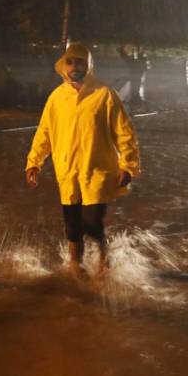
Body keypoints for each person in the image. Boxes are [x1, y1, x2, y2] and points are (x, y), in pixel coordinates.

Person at [25, 42, 141, 278]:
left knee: (92, 220)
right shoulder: (57, 97)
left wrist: (128, 165)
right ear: (63, 66)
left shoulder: (105, 94)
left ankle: (102, 260)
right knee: (72, 223)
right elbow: (44, 131)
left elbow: (125, 133)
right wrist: (34, 162)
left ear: (89, 65)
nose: (74, 66)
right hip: (67, 169)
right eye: (70, 61)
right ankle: (75, 266)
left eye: (80, 62)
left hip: (97, 170)